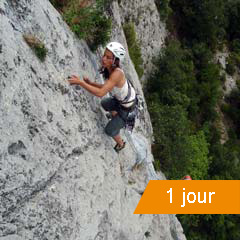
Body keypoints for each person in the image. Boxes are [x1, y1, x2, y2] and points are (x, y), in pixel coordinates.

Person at [68, 42, 136, 152]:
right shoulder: (110, 69)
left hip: (127, 109)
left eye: (108, 57)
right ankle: (116, 118)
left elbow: (100, 93)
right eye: (104, 55)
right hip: (120, 101)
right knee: (105, 103)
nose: (103, 59)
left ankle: (121, 143)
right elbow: (105, 87)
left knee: (109, 130)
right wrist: (90, 83)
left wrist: (80, 83)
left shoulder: (117, 73)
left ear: (116, 60)